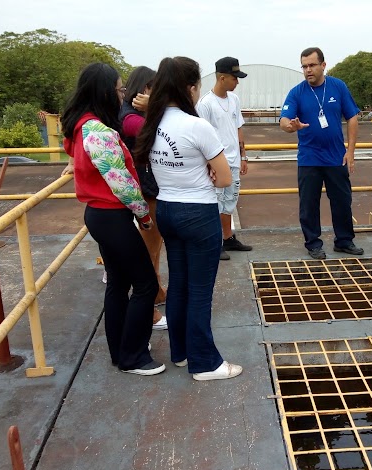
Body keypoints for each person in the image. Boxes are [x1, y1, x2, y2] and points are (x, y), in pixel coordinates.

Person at [134, 56, 242, 380]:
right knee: (200, 291)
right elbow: (224, 178)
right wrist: (206, 171)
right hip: (198, 213)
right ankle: (206, 363)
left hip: (166, 210)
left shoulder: (152, 124)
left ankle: (181, 352)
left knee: (179, 284)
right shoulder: (196, 126)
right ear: (191, 88)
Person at [62, 63, 165, 376]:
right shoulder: (97, 130)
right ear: (105, 91)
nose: (123, 93)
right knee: (146, 284)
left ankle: (120, 349)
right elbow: (119, 180)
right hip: (111, 215)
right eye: (120, 88)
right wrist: (144, 215)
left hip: (100, 215)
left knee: (118, 283)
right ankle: (133, 356)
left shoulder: (80, 126)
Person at [279, 47, 363, 260]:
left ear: (323, 65)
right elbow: (284, 121)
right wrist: (292, 127)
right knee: (309, 204)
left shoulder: (338, 87)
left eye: (312, 65)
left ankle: (344, 241)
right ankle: (313, 243)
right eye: (304, 66)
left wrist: (350, 151)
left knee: (342, 202)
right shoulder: (297, 92)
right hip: (309, 158)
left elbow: (352, 117)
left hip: (336, 157)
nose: (308, 70)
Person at [120, 66, 168, 331]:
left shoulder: (133, 115)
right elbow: (160, 134)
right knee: (148, 251)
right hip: (145, 190)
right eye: (154, 88)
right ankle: (148, 308)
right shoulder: (131, 119)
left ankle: (158, 291)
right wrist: (156, 108)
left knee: (154, 247)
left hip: (147, 188)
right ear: (144, 89)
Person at [197, 57, 252, 261]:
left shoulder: (234, 100)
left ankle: (228, 237)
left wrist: (243, 155)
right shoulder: (205, 104)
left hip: (234, 161)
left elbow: (238, 127)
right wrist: (210, 164)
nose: (237, 82)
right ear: (222, 78)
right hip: (217, 163)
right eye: (234, 78)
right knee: (216, 203)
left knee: (230, 201)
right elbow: (202, 136)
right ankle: (215, 241)